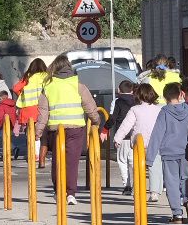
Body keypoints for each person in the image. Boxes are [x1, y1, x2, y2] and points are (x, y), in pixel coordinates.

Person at [41, 54, 99, 204]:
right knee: (72, 162)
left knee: (57, 161)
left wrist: (38, 131)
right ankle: (71, 193)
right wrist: (96, 121)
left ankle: (58, 190)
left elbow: (43, 112)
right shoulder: (78, 84)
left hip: (55, 129)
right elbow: (90, 106)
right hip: (76, 128)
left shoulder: (48, 86)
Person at [149, 82, 188, 222]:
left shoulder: (164, 112)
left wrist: (149, 158)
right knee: (186, 180)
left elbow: (157, 134)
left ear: (164, 97)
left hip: (169, 152)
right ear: (181, 94)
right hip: (187, 151)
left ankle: (177, 214)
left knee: (171, 182)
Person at [110, 82, 161, 198]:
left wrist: (117, 138)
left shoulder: (135, 109)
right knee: (155, 168)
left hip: (138, 145)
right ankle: (154, 192)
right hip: (155, 143)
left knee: (137, 168)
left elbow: (125, 126)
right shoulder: (158, 110)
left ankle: (137, 190)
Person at [15, 57, 49, 151]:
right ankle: (40, 153)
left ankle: (32, 152)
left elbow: (15, 88)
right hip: (43, 108)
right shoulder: (47, 76)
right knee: (42, 131)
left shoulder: (28, 77)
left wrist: (22, 95)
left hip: (28, 109)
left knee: (30, 131)